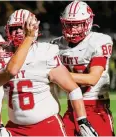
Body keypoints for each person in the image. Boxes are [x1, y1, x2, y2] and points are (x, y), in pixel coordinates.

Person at [4, 9, 98, 136]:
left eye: (22, 27)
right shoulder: (2, 56)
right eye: (14, 28)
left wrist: (82, 121)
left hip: (46, 125)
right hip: (14, 129)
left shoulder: (44, 53)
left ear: (34, 28)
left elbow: (73, 89)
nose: (19, 31)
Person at [50, 1, 115, 136]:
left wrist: (55, 74)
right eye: (69, 24)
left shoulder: (99, 41)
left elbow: (92, 79)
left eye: (77, 25)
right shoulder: (55, 45)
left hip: (96, 108)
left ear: (88, 22)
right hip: (71, 107)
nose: (73, 29)